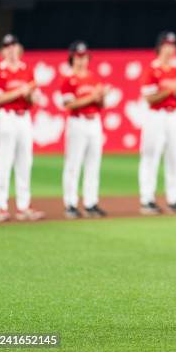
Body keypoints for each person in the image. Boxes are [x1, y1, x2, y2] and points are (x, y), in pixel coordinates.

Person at [0, 34, 44, 222]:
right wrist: (19, 91)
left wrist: (29, 95)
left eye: (13, 45)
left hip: (24, 117)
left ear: (19, 48)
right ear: (2, 51)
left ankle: (23, 206)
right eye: (7, 46)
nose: (11, 49)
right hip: (7, 117)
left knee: (24, 162)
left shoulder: (26, 70)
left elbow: (32, 98)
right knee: (3, 162)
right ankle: (1, 207)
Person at [138, 31, 176, 215]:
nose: (170, 49)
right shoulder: (152, 70)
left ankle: (174, 199)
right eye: (167, 45)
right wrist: (170, 90)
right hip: (156, 116)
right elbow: (150, 98)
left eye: (173, 45)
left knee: (175, 157)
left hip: (175, 115)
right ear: (160, 47)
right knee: (150, 157)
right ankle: (147, 200)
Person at [60, 41, 109, 219]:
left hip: (94, 121)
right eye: (78, 57)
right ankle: (70, 203)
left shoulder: (93, 78)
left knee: (93, 163)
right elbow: (69, 104)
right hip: (77, 122)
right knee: (73, 164)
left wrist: (101, 97)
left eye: (84, 56)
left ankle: (90, 203)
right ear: (72, 58)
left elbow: (100, 104)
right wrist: (92, 97)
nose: (82, 60)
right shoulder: (68, 79)